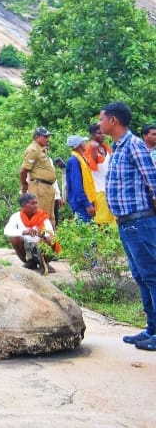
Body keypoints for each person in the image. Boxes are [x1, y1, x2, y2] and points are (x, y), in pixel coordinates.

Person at [98, 102, 156, 351]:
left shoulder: (133, 145)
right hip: (127, 223)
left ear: (113, 120)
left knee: (152, 276)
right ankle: (151, 329)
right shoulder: (119, 148)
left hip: (140, 221)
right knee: (141, 276)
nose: (99, 124)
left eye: (101, 119)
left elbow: (153, 180)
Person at [4, 192, 59, 273]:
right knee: (14, 239)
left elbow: (51, 234)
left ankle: (45, 262)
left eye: (36, 203)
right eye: (32, 204)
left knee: (50, 239)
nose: (36, 206)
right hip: (26, 247)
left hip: (41, 246)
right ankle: (30, 263)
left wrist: (43, 235)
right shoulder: (16, 217)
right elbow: (7, 230)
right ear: (23, 206)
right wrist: (24, 232)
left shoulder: (42, 216)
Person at [20, 126, 59, 226]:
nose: (48, 139)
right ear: (37, 137)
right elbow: (24, 170)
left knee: (50, 219)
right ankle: (41, 241)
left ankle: (51, 240)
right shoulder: (33, 150)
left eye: (48, 136)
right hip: (40, 187)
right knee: (42, 217)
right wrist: (24, 186)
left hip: (47, 187)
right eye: (45, 137)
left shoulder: (41, 149)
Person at [64, 135, 97, 223]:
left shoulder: (81, 158)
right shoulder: (74, 161)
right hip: (81, 203)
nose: (85, 144)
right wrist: (87, 204)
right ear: (79, 145)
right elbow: (77, 185)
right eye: (83, 142)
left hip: (85, 201)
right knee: (84, 230)